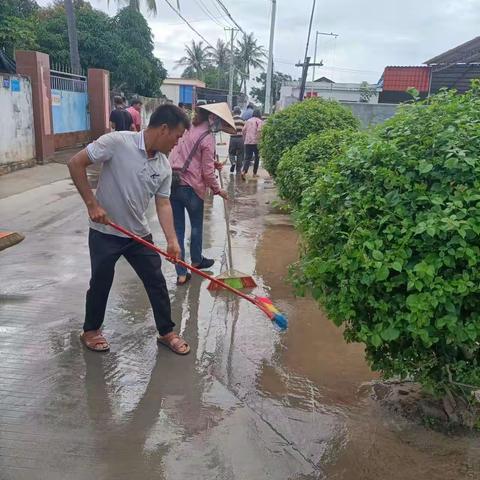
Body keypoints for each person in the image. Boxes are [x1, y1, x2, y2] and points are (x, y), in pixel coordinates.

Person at [68, 104, 192, 355]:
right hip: (105, 232)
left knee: (156, 281)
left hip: (137, 235)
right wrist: (92, 204)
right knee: (101, 281)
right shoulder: (117, 142)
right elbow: (75, 163)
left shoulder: (164, 166)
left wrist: (172, 240)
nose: (177, 144)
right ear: (164, 129)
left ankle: (166, 332)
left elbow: (163, 203)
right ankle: (91, 331)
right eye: (177, 137)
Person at [169, 104, 230, 286]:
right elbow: (206, 172)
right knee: (196, 227)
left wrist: (212, 162)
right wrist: (218, 190)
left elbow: (182, 155)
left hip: (173, 183)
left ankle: (181, 273)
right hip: (193, 188)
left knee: (178, 230)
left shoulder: (186, 130)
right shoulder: (207, 138)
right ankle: (196, 261)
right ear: (211, 118)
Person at [241, 109, 263, 180]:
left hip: (247, 142)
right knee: (257, 157)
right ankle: (254, 173)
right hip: (256, 142)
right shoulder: (259, 121)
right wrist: (259, 140)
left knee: (247, 157)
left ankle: (244, 171)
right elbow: (259, 131)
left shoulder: (248, 121)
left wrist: (245, 139)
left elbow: (243, 130)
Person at [228, 106, 245, 174]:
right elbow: (245, 129)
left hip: (233, 138)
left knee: (231, 153)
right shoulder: (242, 120)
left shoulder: (231, 119)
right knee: (240, 154)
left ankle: (233, 162)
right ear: (240, 112)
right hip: (240, 138)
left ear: (233, 112)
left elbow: (228, 128)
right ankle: (238, 170)